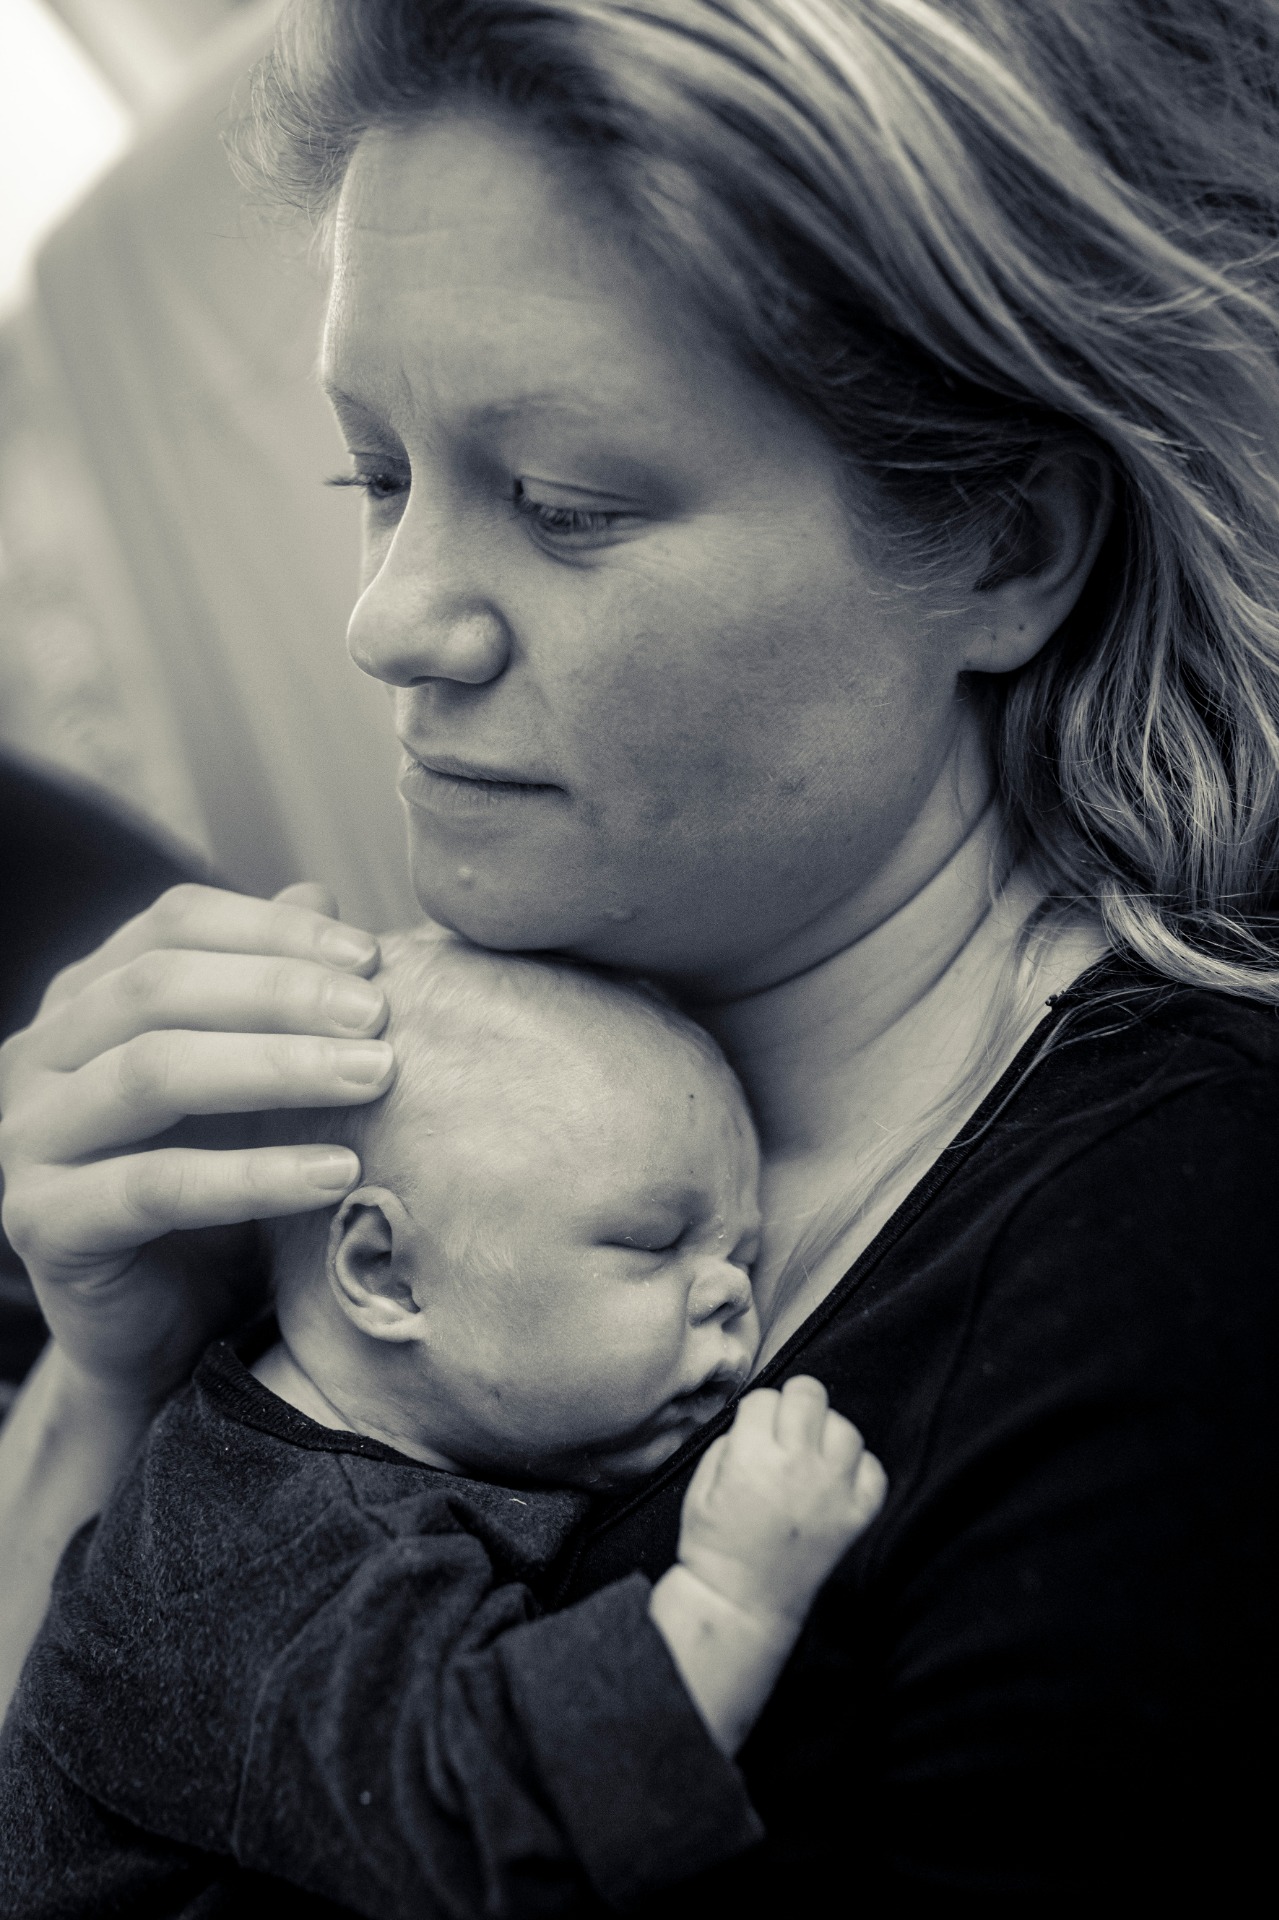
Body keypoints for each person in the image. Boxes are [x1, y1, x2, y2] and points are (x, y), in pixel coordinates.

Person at [1, 0, 1275, 1905]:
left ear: (1005, 548)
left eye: (563, 507)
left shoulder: (1174, 1292)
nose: (388, 619)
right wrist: (112, 1380)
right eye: (375, 476)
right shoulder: (376, 1132)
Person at [0, 929, 885, 1916]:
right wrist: (734, 1596)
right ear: (384, 1272)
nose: (728, 1293)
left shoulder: (330, 1447)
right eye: (651, 1241)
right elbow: (498, 1830)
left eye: (743, 1255)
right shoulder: (265, 1556)